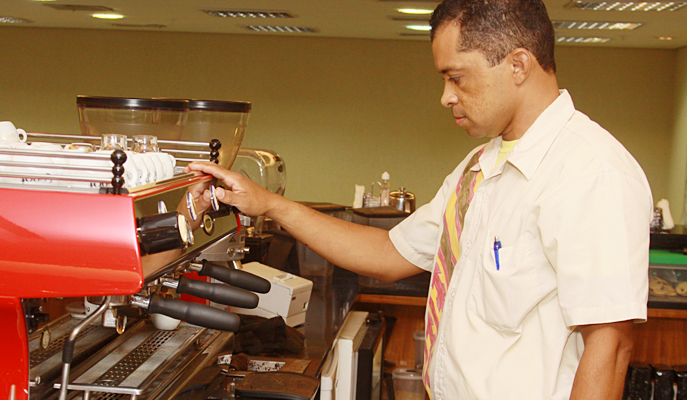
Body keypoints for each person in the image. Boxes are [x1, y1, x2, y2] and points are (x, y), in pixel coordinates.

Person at [186, 0, 652, 398]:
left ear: (518, 65)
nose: (446, 96)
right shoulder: (479, 167)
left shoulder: (590, 173)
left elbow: (610, 347)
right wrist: (269, 204)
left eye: (457, 77)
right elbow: (390, 253)